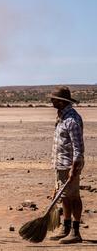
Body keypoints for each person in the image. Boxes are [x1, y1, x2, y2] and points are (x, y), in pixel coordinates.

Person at [48, 86, 85, 244]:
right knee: (64, 197)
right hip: (60, 165)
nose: (51, 101)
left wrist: (74, 169)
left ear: (62, 102)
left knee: (74, 197)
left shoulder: (72, 120)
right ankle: (66, 227)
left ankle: (75, 232)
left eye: (54, 99)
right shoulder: (62, 117)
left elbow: (78, 148)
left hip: (70, 166)